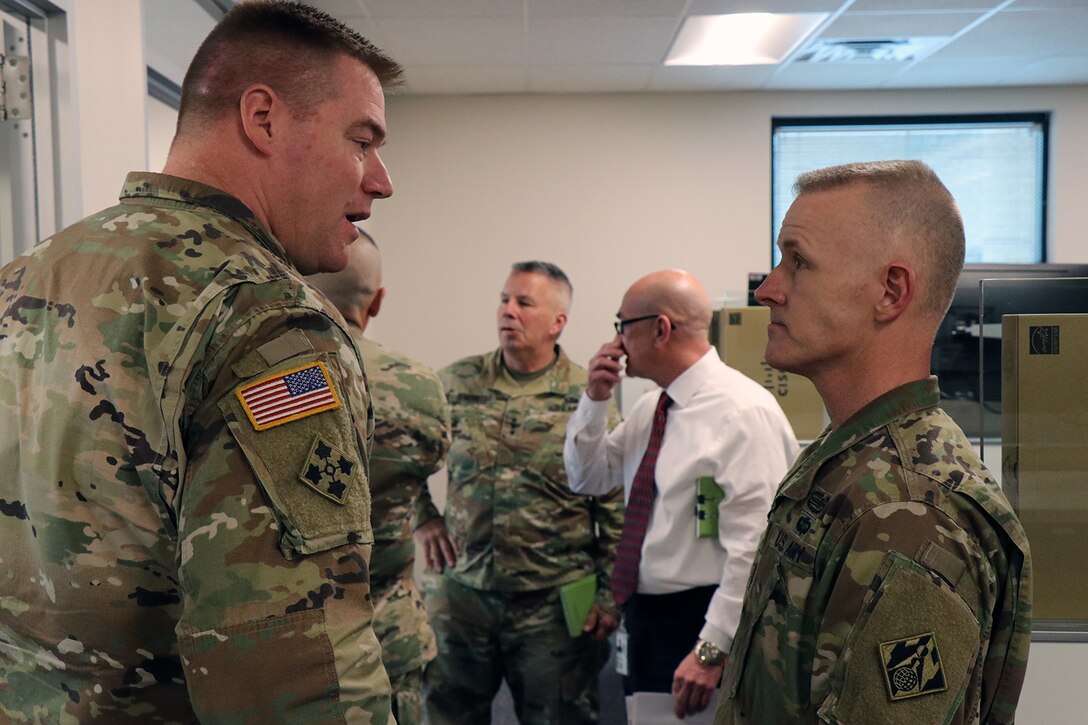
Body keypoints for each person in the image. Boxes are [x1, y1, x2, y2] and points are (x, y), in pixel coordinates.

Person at [0, 2, 402, 721]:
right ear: (264, 118)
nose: (381, 180)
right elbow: (295, 667)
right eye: (362, 140)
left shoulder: (23, 277)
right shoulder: (267, 326)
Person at [715, 160, 1033, 724]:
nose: (768, 290)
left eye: (799, 262)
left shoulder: (912, 508)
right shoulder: (849, 459)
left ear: (890, 291)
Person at [564, 269, 799, 719]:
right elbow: (588, 478)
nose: (617, 342)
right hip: (648, 617)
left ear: (660, 329)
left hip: (702, 621)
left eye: (622, 326)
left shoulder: (742, 412)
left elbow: (754, 548)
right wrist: (594, 400)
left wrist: (712, 649)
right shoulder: (651, 407)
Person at [422, 261, 625, 725]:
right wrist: (423, 517)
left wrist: (611, 596)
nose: (508, 311)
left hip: (551, 605)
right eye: (504, 299)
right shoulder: (454, 383)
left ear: (558, 322)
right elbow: (403, 458)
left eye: (524, 303)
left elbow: (615, 505)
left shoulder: (587, 396)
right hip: (462, 598)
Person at [308, 233, 451, 725]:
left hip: (304, 637)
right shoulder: (419, 386)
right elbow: (431, 462)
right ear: (379, 300)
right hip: (390, 627)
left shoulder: (281, 377)